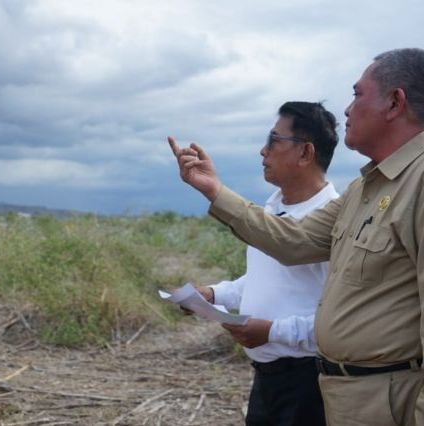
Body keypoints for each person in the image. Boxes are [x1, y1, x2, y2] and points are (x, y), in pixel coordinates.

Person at [169, 48, 424, 426]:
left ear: (394, 102)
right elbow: (292, 241)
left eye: (357, 94)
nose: (348, 109)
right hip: (345, 396)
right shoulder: (363, 190)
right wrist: (213, 190)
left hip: (386, 399)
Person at [192, 101, 338, 425]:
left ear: (305, 153)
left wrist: (273, 332)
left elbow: (339, 321)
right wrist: (213, 294)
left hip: (307, 384)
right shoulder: (272, 210)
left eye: (274, 140)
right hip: (266, 380)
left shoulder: (336, 224)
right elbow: (263, 278)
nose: (263, 150)